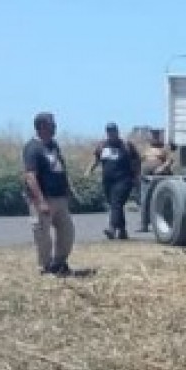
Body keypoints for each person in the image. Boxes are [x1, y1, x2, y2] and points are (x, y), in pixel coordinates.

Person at [22, 111, 75, 275]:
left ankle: (59, 262)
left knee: (67, 232)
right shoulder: (32, 148)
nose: (55, 127)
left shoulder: (53, 145)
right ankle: (45, 266)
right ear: (41, 126)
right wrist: (41, 200)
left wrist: (68, 189)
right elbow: (30, 176)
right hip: (43, 198)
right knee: (43, 235)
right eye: (52, 124)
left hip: (59, 197)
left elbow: (60, 168)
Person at [87, 122, 140, 240]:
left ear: (117, 132)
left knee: (116, 202)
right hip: (108, 181)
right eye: (109, 131)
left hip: (124, 180)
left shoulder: (126, 145)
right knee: (115, 205)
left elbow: (136, 161)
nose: (111, 134)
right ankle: (122, 231)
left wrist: (136, 177)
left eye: (113, 131)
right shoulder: (102, 146)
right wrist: (89, 170)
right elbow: (96, 159)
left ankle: (112, 228)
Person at [136, 128, 173, 233]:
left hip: (160, 177)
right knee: (144, 200)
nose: (154, 137)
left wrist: (162, 167)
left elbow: (170, 160)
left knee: (160, 200)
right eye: (153, 135)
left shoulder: (164, 148)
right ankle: (144, 224)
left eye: (156, 135)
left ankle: (164, 222)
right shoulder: (146, 148)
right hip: (146, 177)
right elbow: (139, 160)